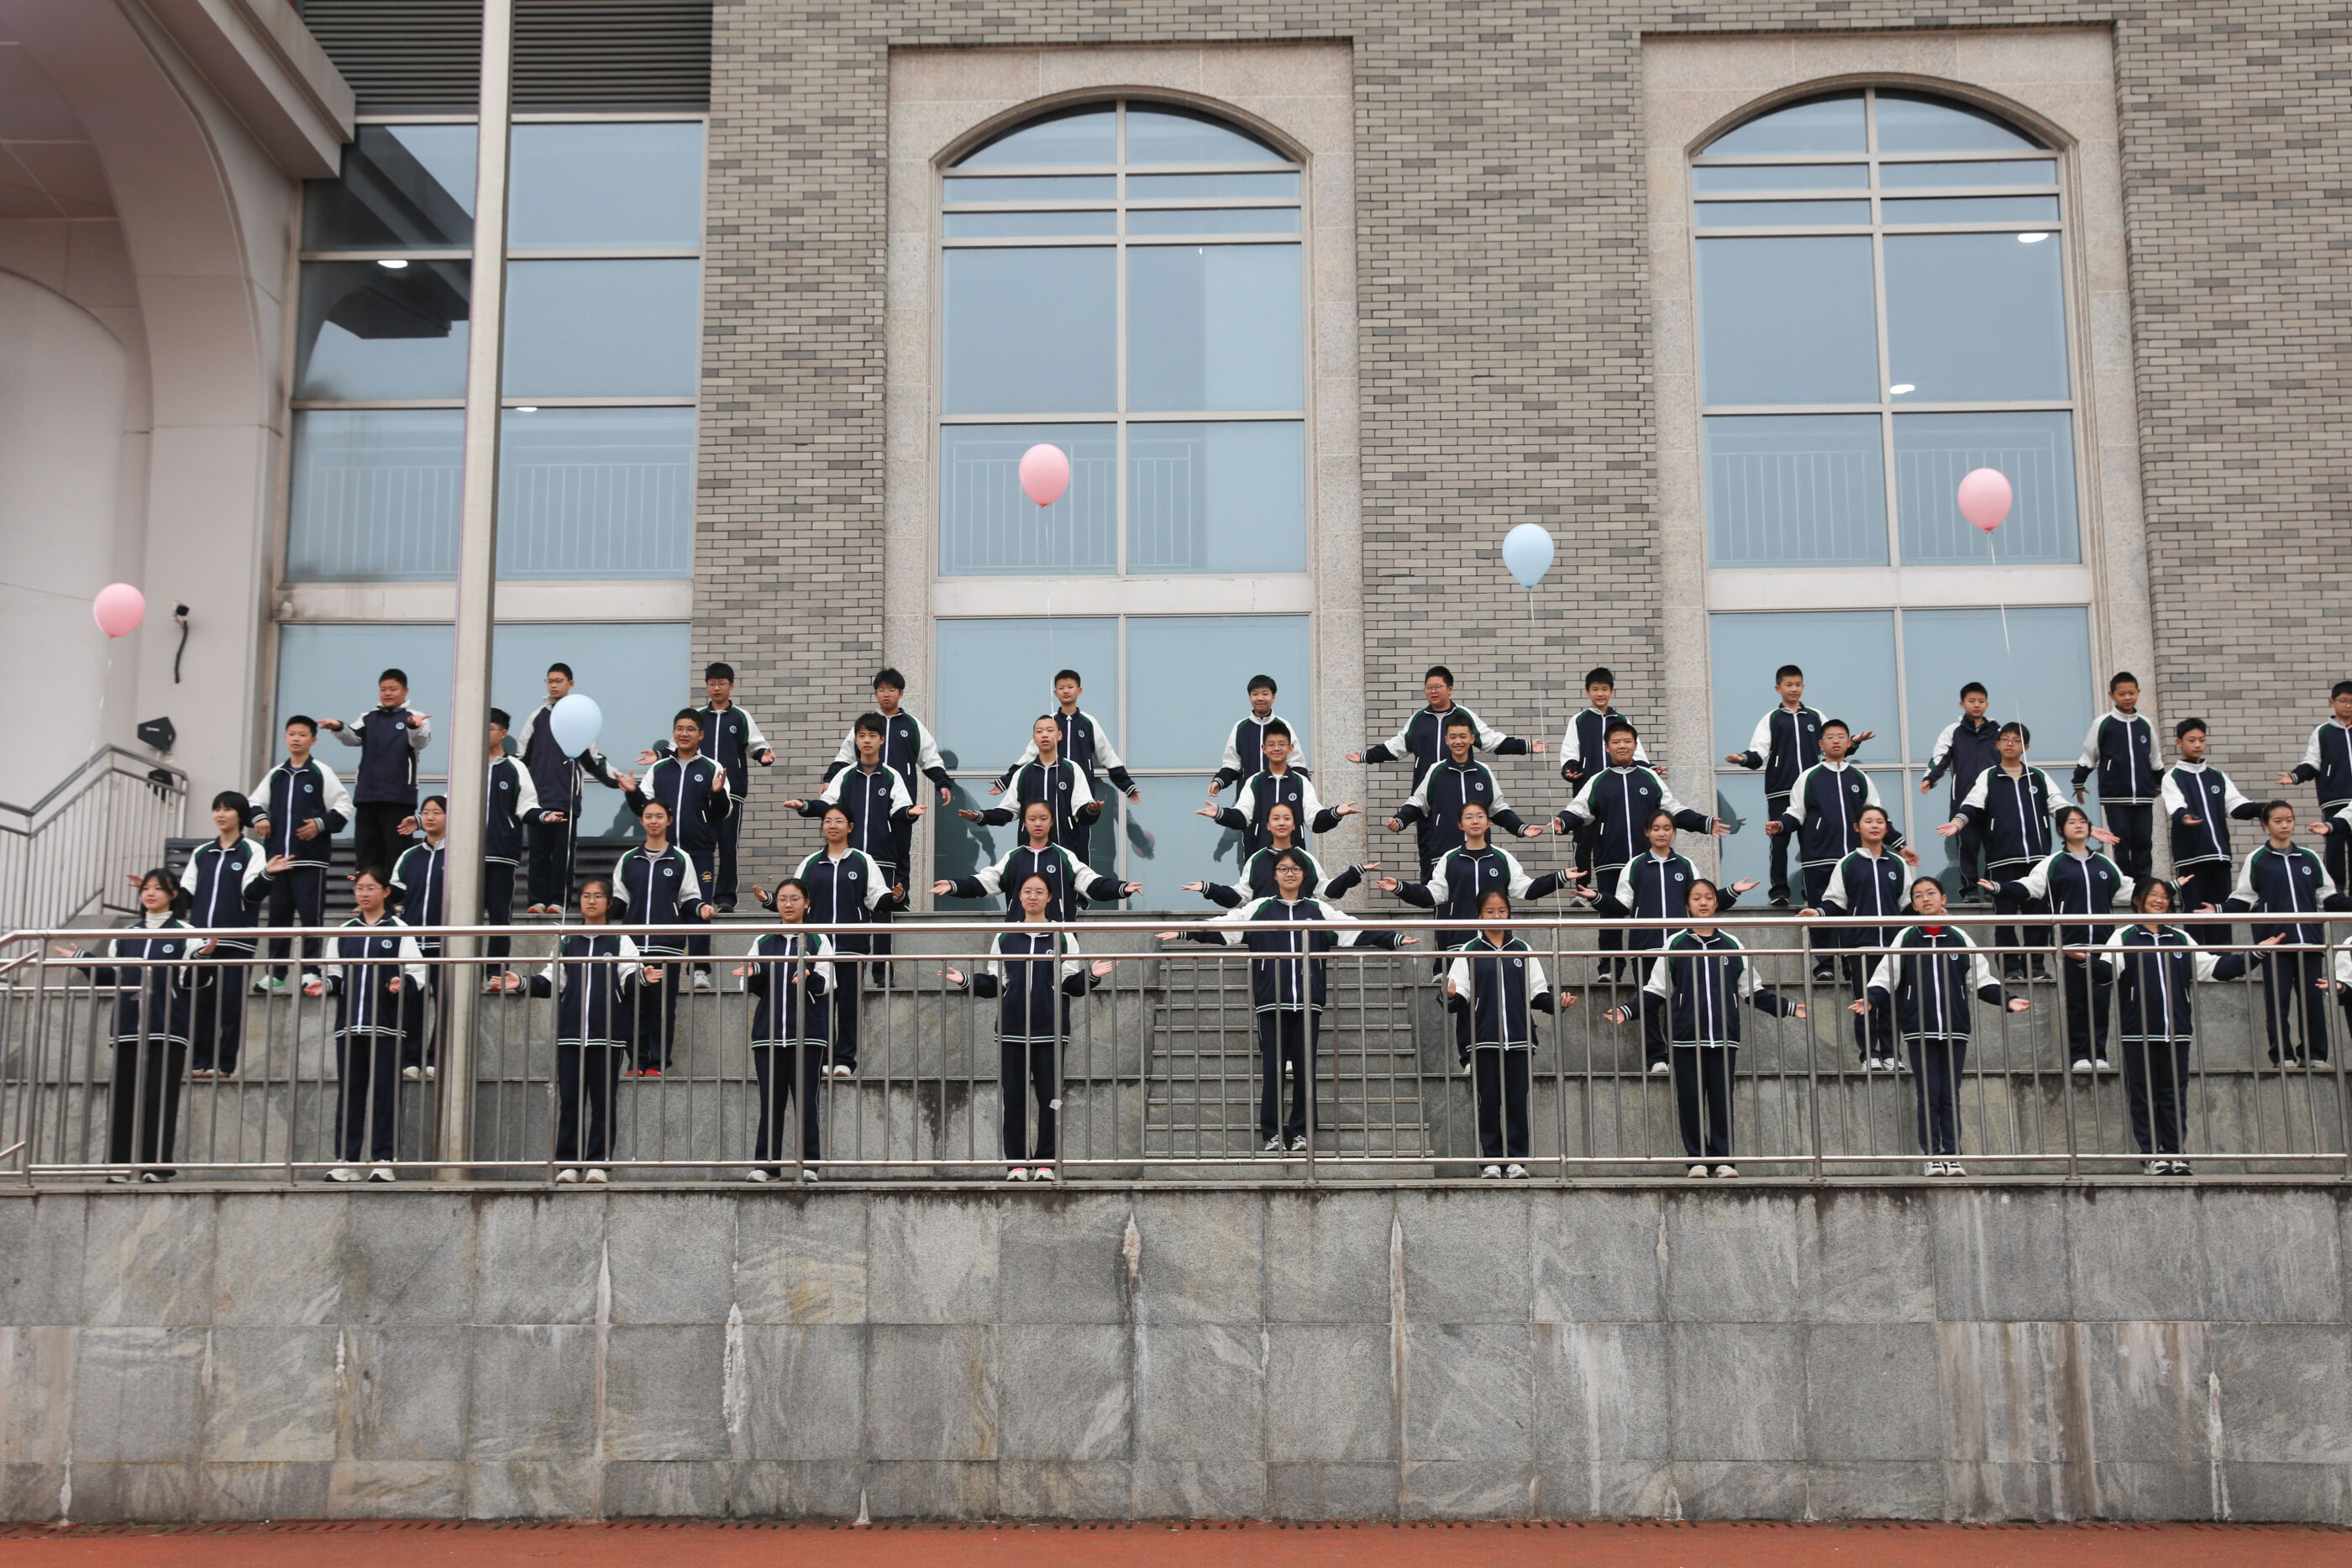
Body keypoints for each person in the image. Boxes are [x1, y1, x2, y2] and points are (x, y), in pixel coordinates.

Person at [1158, 850, 1414, 1153]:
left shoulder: (1318, 910)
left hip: (1308, 1002)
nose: (1289, 873)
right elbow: (1224, 925)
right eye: (1283, 868)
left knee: (1305, 1069)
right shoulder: (1259, 908)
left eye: (1295, 869)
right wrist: (1186, 931)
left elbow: (1353, 928)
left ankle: (1302, 1132)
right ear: (1275, 875)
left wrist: (1392, 938)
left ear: (1304, 875)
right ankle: (1272, 1134)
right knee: (1273, 1069)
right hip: (1271, 1002)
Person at [1603, 877, 1803, 1179]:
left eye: (1708, 897)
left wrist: (1787, 1007)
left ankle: (1724, 1161)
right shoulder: (1675, 944)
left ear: (1716, 902)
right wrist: (1627, 1010)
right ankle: (1696, 1160)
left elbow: (1753, 991)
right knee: (1690, 1100)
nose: (1704, 902)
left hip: (1724, 1038)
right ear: (1687, 905)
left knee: (1722, 1100)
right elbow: (1656, 991)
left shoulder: (1732, 945)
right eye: (1697, 898)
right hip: (1685, 1039)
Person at [944, 872, 1116, 1182]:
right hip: (1012, 1030)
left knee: (1051, 1099)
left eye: (1039, 891)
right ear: (1019, 897)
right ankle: (1017, 1164)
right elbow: (997, 982)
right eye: (1027, 891)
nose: (1032, 896)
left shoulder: (1063, 935)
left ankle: (1047, 1163)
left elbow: (1069, 984)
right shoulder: (1005, 936)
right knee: (1014, 1099)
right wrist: (966, 980)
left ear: (1049, 897)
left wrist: (1091, 975)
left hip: (1051, 1029)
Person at [1861, 878, 2031, 1177]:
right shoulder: (1906, 938)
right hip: (1919, 1029)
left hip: (1955, 1029)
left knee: (1950, 1094)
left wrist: (2007, 1000)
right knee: (1929, 1093)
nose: (1925, 899)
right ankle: (1932, 1156)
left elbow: (1981, 981)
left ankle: (1952, 1155)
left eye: (1931, 893)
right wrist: (1871, 998)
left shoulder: (1960, 937)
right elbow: (1886, 976)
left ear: (1943, 899)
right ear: (1914, 906)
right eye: (1918, 896)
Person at [2093, 879, 2258, 1175]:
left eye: (2165, 896)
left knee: (2174, 1095)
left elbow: (2215, 969)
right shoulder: (2124, 936)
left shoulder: (2181, 938)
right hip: (2138, 1032)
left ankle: (2176, 1153)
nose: (2160, 900)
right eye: (2153, 895)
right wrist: (2083, 960)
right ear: (2138, 900)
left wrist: (2257, 954)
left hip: (2178, 1032)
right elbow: (2107, 973)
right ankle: (2152, 1156)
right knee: (2143, 1095)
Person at [1379, 801, 1567, 1057]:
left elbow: (1526, 889)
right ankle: (1469, 1057)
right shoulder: (1450, 859)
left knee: (1504, 994)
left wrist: (1560, 878)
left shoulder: (1502, 857)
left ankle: (1513, 1048)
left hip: (1499, 943)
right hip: (1462, 943)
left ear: (1489, 823)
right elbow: (1432, 895)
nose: (1475, 821)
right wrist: (1400, 887)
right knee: (1465, 1000)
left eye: (1480, 816)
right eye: (1469, 817)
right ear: (1460, 825)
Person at [1578, 809, 1755, 1073]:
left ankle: (1676, 1055)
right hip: (1644, 947)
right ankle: (1656, 1059)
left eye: (1667, 828)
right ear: (1647, 832)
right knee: (1648, 1004)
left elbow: (1702, 899)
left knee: (1678, 1003)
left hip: (1681, 948)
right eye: (1656, 828)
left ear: (1673, 832)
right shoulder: (1635, 865)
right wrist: (1597, 897)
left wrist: (1731, 892)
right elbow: (1623, 905)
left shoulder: (1685, 865)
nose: (1662, 833)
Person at [53, 868, 200, 1181]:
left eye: (158, 888)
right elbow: (113, 978)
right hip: (128, 1026)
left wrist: (204, 957)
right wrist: (84, 959)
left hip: (168, 1026)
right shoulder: (126, 934)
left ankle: (156, 1166)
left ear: (173, 894)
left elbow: (196, 981)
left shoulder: (187, 933)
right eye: (146, 889)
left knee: (161, 1096)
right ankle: (118, 1165)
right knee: (122, 1097)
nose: (150, 894)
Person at [1557, 718, 1728, 982]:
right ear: (1607, 747)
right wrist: (1562, 821)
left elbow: (1673, 810)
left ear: (1636, 746)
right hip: (1611, 859)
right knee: (1611, 915)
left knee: (1651, 910)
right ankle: (1610, 967)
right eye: (1616, 742)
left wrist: (1704, 823)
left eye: (1627, 741)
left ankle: (1664, 962)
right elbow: (1578, 811)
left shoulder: (1649, 778)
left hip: (1647, 861)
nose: (1622, 746)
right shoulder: (1598, 781)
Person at [1983, 805, 2128, 1073]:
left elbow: (2131, 890)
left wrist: (2170, 888)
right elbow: (2029, 887)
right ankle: (2079, 1055)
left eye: (2083, 821)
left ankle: (2099, 1053)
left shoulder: (2105, 864)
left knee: (2100, 1001)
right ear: (2060, 829)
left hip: (2103, 946)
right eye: (2071, 822)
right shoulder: (2053, 863)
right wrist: (1999, 888)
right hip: (2069, 945)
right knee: (2076, 1001)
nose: (2079, 825)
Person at [304, 866, 423, 1183]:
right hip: (349, 1027)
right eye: (359, 888)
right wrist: (325, 985)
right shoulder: (344, 931)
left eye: (371, 888)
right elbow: (335, 975)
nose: (364, 893)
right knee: (350, 1094)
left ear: (386, 891)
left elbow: (417, 974)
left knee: (386, 1094)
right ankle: (346, 1161)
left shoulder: (399, 929)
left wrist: (401, 983)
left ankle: (384, 1161)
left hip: (387, 1027)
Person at [1445, 889, 1573, 1177]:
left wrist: (1558, 1003)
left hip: (1519, 1040)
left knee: (1516, 1102)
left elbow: (1537, 993)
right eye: (1490, 912)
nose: (1497, 916)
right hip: (1483, 1040)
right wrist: (1449, 996)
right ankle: (1491, 1161)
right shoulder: (1468, 951)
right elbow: (1459, 996)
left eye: (1502, 911)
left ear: (1509, 913)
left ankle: (1516, 1161)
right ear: (1479, 916)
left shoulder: (1522, 949)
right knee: (1488, 1103)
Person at [790, 713, 927, 980]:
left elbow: (900, 811)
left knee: (882, 918)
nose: (867, 740)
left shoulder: (892, 776)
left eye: (872, 735)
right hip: (847, 857)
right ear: (856, 740)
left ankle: (882, 974)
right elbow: (827, 805)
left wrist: (909, 813)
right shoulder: (845, 775)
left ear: (882, 740)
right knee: (848, 914)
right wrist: (805, 806)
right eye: (862, 735)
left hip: (882, 857)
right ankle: (833, 970)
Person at [1725, 664, 1872, 906]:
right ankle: (1779, 891)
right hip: (1781, 790)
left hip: (1813, 792)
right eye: (1789, 685)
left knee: (1811, 841)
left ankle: (1809, 893)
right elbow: (1758, 752)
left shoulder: (1815, 716)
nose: (1794, 689)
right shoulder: (1772, 719)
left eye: (1798, 685)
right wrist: (1742, 759)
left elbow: (1833, 745)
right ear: (1778, 688)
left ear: (1803, 686)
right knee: (1779, 840)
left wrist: (1854, 742)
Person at [1940, 721, 2076, 979]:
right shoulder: (1989, 776)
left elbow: (2060, 806)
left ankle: (2036, 967)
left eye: (2016, 740)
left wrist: (2084, 826)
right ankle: (2011, 968)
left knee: (2038, 918)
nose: (2010, 744)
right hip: (2002, 862)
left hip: (2037, 862)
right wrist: (1958, 823)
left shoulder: (2038, 776)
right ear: (1998, 744)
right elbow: (1971, 804)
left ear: (2026, 747)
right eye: (2005, 739)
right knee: (2005, 919)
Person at [530, 875, 641, 1183]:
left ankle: (599, 1164)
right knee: (570, 1102)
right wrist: (522, 983)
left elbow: (629, 980)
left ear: (609, 902)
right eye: (586, 896)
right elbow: (551, 981)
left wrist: (644, 978)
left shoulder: (620, 940)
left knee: (603, 1103)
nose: (591, 901)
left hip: (608, 1036)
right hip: (570, 1035)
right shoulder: (567, 940)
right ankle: (568, 1164)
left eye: (598, 896)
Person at [769, 804, 891, 1077]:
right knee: (821, 1005)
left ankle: (845, 1061)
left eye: (839, 821)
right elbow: (795, 898)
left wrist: (895, 897)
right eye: (827, 821)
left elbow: (877, 898)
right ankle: (823, 1059)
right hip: (818, 950)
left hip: (852, 947)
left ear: (850, 827)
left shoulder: (862, 861)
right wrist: (770, 900)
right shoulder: (811, 863)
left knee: (848, 1005)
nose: (832, 825)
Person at [2224, 800, 2345, 1068]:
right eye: (2278, 821)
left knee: (2313, 1001)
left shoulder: (2309, 858)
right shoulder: (2258, 859)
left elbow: (2329, 897)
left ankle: (2314, 1054)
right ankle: (2283, 1055)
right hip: (2275, 944)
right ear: (2265, 824)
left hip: (2310, 942)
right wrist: (2219, 909)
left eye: (2289, 820)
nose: (2285, 825)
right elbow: (2243, 898)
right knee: (2278, 1001)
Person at [828, 669, 956, 916]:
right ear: (876, 693)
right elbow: (845, 755)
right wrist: (829, 779)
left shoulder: (911, 725)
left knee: (899, 849)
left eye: (892, 690)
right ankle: (852, 895)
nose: (886, 695)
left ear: (901, 694)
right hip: (864, 799)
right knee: (855, 845)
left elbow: (929, 757)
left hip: (900, 804)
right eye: (881, 690)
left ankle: (899, 897)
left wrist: (942, 782)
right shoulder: (867, 725)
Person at [733, 878, 834, 1183]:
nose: (788, 904)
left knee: (807, 1102)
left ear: (807, 903)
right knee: (771, 1102)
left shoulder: (818, 940)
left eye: (794, 899)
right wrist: (754, 974)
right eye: (782, 899)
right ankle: (767, 1165)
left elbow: (828, 982)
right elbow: (749, 982)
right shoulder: (764, 941)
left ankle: (809, 1165)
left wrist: (809, 977)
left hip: (808, 1035)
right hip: (768, 1035)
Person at [992, 669, 1139, 870]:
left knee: (1078, 848)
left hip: (1079, 797)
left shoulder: (1088, 722)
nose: (1066, 691)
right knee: (1043, 842)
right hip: (1051, 793)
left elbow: (1107, 754)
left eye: (1070, 687)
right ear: (1056, 693)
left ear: (1079, 690)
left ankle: (1079, 887)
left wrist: (1127, 785)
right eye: (1061, 688)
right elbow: (1028, 756)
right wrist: (1005, 781)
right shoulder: (1050, 723)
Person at [1801, 804, 1909, 1071]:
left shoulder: (1897, 863)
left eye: (1880, 822)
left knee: (1891, 1003)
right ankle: (1869, 1055)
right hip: (1860, 946)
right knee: (1865, 1002)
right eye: (1869, 821)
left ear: (1886, 828)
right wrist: (1818, 912)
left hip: (1893, 946)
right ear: (1857, 827)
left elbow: (1907, 904)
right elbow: (1835, 902)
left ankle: (1891, 1054)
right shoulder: (1848, 863)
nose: (1875, 826)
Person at [630, 710, 732, 990]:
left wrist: (717, 793)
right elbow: (645, 808)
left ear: (701, 734)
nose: (684, 733)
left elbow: (722, 813)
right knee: (662, 907)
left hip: (699, 852)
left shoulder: (712, 768)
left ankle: (699, 968)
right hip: (663, 852)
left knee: (700, 908)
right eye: (679, 728)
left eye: (690, 729)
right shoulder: (659, 769)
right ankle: (651, 964)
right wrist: (631, 793)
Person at [611, 798, 714, 1076]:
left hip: (667, 946)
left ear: (669, 820)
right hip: (632, 947)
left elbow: (689, 897)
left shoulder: (681, 858)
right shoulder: (629, 859)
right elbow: (619, 900)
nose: (653, 821)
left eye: (659, 816)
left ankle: (657, 1062)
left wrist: (701, 908)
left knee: (661, 1007)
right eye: (648, 816)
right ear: (641, 821)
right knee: (632, 1005)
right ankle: (636, 1061)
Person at [517, 663, 630, 915]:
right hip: (536, 803)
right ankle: (537, 901)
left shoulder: (579, 719)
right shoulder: (537, 717)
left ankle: (559, 902)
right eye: (550, 681)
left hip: (565, 801)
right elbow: (522, 758)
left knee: (562, 856)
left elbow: (593, 760)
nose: (553, 685)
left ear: (571, 684)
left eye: (559, 681)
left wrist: (617, 780)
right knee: (537, 855)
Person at [184, 792, 275, 1078]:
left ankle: (223, 1064)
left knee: (230, 1004)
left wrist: (268, 875)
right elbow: (186, 894)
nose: (221, 815)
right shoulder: (202, 853)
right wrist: (159, 892)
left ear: (240, 815)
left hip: (237, 941)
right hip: (202, 943)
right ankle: (200, 1062)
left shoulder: (251, 850)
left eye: (227, 809)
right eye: (217, 809)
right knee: (201, 1003)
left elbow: (252, 893)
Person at [673, 662, 775, 912]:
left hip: (732, 793)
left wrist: (763, 755)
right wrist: (658, 755)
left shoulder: (740, 716)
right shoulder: (698, 717)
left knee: (728, 846)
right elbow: (677, 746)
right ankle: (693, 895)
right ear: (707, 686)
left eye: (721, 683)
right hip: (698, 793)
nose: (716, 688)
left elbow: (756, 744)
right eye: (712, 684)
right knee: (698, 846)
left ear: (731, 685)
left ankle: (726, 898)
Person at [1347, 664, 1544, 794]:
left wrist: (1525, 746)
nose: (1433, 691)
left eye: (1438, 687)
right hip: (1426, 792)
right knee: (1428, 841)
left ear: (1450, 689)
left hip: (1461, 788)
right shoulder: (1418, 719)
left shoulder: (1464, 716)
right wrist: (1366, 756)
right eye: (1429, 688)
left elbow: (1491, 740)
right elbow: (1394, 747)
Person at [1385, 712, 1538, 878]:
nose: (1458, 741)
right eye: (1453, 737)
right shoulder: (1436, 771)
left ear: (1472, 739)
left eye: (1463, 736)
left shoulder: (1483, 771)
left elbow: (1497, 809)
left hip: (1480, 855)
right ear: (1447, 740)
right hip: (1443, 855)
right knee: (1441, 895)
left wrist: (1521, 828)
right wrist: (1400, 820)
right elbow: (1417, 803)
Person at [934, 799, 1138, 921]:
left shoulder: (1064, 857)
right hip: (1019, 939)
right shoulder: (1013, 858)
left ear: (1051, 823)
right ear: (1025, 823)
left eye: (1043, 819)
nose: (1038, 824)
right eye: (1032, 819)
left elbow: (1092, 883)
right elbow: (985, 882)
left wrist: (1120, 888)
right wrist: (954, 885)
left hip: (1057, 939)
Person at [2161, 718, 2263, 947]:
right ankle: (2197, 960)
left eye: (2202, 740)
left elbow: (2236, 806)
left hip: (2219, 858)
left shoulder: (2217, 776)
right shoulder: (2172, 777)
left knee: (2220, 912)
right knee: (2195, 913)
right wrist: (2184, 817)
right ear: (2178, 742)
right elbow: (2176, 806)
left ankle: (2222, 959)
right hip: (2191, 858)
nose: (2197, 745)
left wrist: (2263, 809)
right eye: (2191, 740)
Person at [320, 669, 431, 878]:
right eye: (383, 689)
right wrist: (338, 727)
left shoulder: (414, 717)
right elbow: (353, 737)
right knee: (366, 854)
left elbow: (421, 742)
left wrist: (414, 727)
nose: (387, 693)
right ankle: (366, 892)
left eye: (393, 689)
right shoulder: (369, 718)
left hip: (398, 797)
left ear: (405, 691)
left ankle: (397, 893)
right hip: (367, 796)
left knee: (397, 853)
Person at [1201, 721, 1357, 860]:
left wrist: (1335, 813)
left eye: (1282, 744)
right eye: (1271, 744)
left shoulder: (1301, 782)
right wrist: (1221, 813)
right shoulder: (1254, 782)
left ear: (1291, 748)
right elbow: (1242, 816)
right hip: (1259, 858)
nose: (1276, 748)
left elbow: (1315, 820)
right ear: (1264, 749)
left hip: (1294, 864)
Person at [963, 715, 1102, 862]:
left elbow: (1081, 809)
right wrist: (981, 816)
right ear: (1034, 738)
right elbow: (1008, 810)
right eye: (1039, 731)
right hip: (1030, 853)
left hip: (1067, 851)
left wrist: (1091, 810)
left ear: (1060, 735)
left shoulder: (1072, 770)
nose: (1045, 735)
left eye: (1050, 730)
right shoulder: (1023, 773)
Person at [1557, 667, 1651, 884]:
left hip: (1618, 792)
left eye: (1605, 689)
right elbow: (1570, 751)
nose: (1600, 694)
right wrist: (1570, 769)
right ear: (1587, 692)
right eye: (1595, 689)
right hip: (1587, 791)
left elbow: (1637, 753)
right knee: (1583, 841)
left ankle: (1626, 884)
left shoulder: (1622, 721)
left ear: (1612, 692)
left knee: (1616, 837)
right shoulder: (1579, 720)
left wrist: (1650, 768)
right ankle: (1582, 889)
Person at [1186, 800, 1369, 907]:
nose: (1281, 823)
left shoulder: (1306, 859)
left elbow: (1325, 893)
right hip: (1265, 937)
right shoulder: (1256, 860)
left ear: (1294, 824)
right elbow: (1241, 897)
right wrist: (1210, 889)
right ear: (1268, 825)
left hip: (1302, 936)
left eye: (1287, 818)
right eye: (1275, 818)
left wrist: (1352, 875)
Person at [2072, 672, 2161, 887]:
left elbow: (2155, 758)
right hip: (2115, 795)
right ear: (2111, 695)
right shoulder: (2103, 723)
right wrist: (2079, 781)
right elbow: (2090, 754)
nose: (2127, 697)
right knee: (2120, 841)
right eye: (2122, 694)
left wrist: (2158, 783)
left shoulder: (2145, 724)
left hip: (2143, 795)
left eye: (2131, 693)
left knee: (2143, 840)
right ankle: (2125, 883)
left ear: (2138, 692)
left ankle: (2144, 884)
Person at [388, 795, 450, 1081]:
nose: (430, 817)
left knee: (445, 1004)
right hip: (413, 945)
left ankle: (435, 1057)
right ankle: (410, 1059)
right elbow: (395, 892)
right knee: (412, 1003)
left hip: (446, 944)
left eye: (437, 812)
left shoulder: (459, 854)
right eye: (425, 812)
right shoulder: (409, 856)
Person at [1920, 682, 1998, 899]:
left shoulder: (1997, 732)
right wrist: (1930, 779)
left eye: (1981, 701)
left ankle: (1991, 888)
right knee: (1967, 846)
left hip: (1994, 800)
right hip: (1963, 800)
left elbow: (2009, 759)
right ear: (1962, 704)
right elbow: (1940, 757)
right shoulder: (1953, 731)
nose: (1977, 705)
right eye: (1972, 701)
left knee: (1994, 845)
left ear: (1987, 704)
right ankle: (1970, 889)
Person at [2280, 679, 2352, 892]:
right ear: (2332, 702)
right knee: (2334, 849)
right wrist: (2295, 776)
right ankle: (2335, 894)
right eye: (2343, 701)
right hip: (2334, 800)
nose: (2348, 705)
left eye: (2351, 701)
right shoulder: (2323, 732)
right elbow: (2312, 763)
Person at [1210, 674, 1309, 800]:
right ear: (1250, 697)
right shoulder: (1241, 727)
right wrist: (1219, 781)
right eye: (1255, 694)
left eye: (1265, 694)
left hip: (1280, 798)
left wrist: (1305, 789)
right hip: (1248, 798)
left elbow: (1296, 763)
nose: (1260, 698)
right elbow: (1232, 764)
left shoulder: (1284, 726)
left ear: (1273, 697)